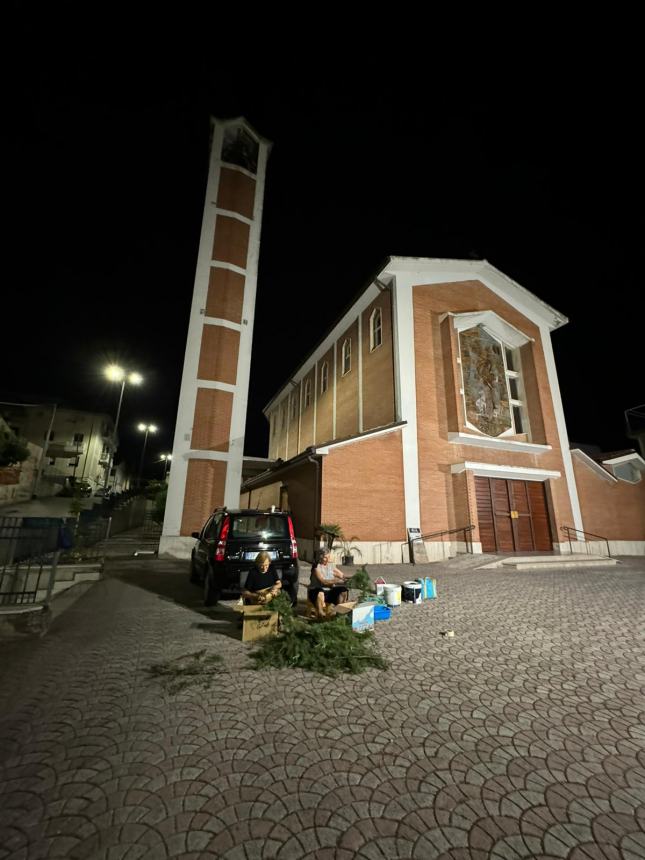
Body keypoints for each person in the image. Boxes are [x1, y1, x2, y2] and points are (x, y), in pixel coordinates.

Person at [307, 549, 349, 619]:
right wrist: (337, 580)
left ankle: (340, 613)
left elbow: (342, 575)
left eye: (328, 557)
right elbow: (323, 581)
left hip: (329, 591)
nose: (327, 559)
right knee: (320, 592)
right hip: (316, 591)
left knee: (343, 590)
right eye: (325, 557)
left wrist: (351, 579)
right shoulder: (316, 567)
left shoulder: (330, 565)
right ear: (320, 557)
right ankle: (321, 615)